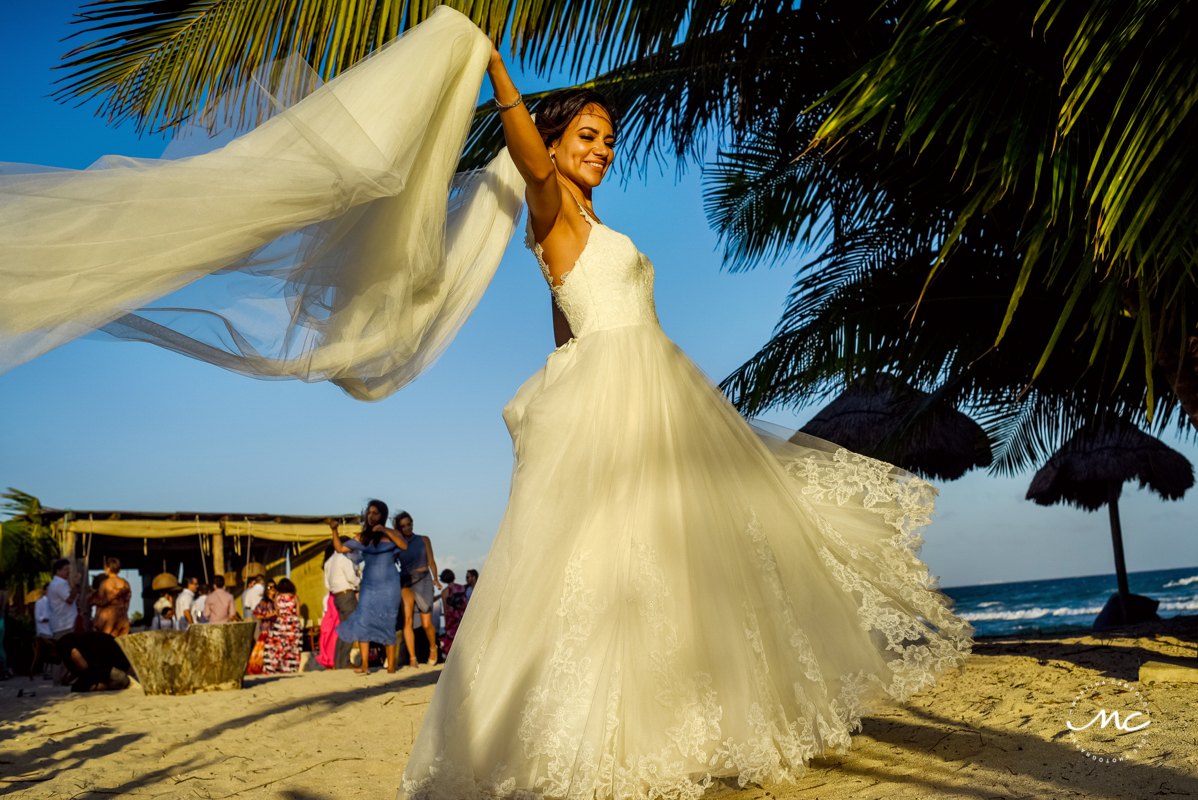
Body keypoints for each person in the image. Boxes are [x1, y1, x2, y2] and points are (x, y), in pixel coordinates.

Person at [0, 10, 971, 796]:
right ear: (554, 146)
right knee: (607, 561)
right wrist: (502, 74)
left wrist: (559, 392)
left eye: (606, 141)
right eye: (584, 136)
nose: (598, 149)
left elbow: (573, 328)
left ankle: (682, 713)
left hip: (642, 387)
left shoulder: (600, 224)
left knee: (671, 555)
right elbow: (529, 159)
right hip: (618, 391)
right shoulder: (548, 207)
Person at [330, 499, 407, 675]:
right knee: (363, 621)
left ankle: (391, 667)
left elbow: (403, 545)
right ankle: (364, 665)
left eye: (375, 513)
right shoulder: (363, 537)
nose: (371, 516)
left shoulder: (391, 533)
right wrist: (334, 530)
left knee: (388, 621)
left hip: (389, 586)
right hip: (369, 586)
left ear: (382, 515)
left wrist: (385, 530)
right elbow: (340, 548)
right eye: (369, 513)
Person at [394, 511, 440, 667]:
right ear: (399, 528)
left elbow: (431, 561)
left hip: (424, 578)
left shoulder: (423, 539)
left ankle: (433, 648)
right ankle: (412, 659)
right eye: (403, 526)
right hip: (406, 580)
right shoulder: (397, 543)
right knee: (408, 621)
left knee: (426, 623)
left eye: (409, 524)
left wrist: (436, 579)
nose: (407, 528)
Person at [322, 529, 362, 669]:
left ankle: (339, 662)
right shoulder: (344, 557)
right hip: (347, 594)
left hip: (337, 596)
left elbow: (327, 583)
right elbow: (351, 577)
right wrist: (359, 581)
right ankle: (344, 662)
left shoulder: (329, 561)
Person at [56, 632, 131, 692]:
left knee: (78, 687)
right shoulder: (74, 640)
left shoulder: (66, 646)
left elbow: (83, 665)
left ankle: (111, 683)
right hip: (119, 661)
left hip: (114, 669)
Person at [265, 578, 303, 674]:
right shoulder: (295, 597)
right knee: (293, 648)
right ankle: (291, 668)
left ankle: (276, 668)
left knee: (278, 647)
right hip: (293, 625)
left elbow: (277, 614)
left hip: (281, 625)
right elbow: (298, 613)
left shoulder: (277, 598)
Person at [90, 557, 132, 637]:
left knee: (107, 642)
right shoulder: (125, 583)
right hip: (122, 615)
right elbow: (127, 602)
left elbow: (101, 602)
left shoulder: (105, 584)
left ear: (108, 568)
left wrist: (96, 621)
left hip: (108, 616)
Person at [436, 570, 468, 660]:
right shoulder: (462, 588)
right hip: (463, 617)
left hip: (452, 619)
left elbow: (446, 610)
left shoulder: (445, 592)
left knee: (451, 641)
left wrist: (446, 623)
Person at [0, 589, 10, 680]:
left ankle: (3, 670)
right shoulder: (4, 593)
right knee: (1, 647)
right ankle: (4, 670)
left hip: (1, 620)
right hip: (2, 620)